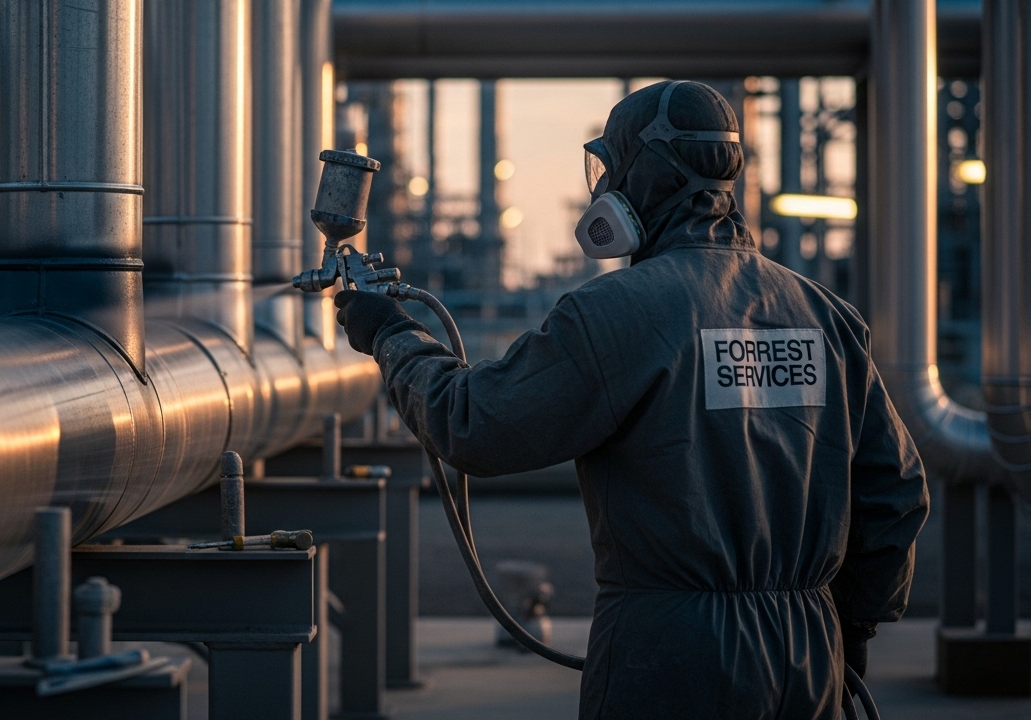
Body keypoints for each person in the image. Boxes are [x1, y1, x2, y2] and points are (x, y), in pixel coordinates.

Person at [333, 80, 929, 720]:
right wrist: (850, 633)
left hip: (669, 655)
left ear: (648, 174)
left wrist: (393, 336)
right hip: (807, 654)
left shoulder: (617, 312)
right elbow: (895, 493)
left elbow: (475, 424)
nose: (602, 190)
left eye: (609, 169)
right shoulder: (825, 316)